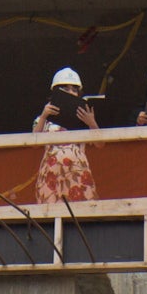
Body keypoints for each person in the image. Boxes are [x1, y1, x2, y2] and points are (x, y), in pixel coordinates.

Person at [30, 66, 99, 204]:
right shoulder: (43, 119)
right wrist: (44, 116)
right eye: (66, 89)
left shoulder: (84, 118)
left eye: (75, 90)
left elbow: (100, 144)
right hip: (52, 173)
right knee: (50, 215)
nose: (71, 92)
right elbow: (34, 144)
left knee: (80, 214)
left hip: (77, 173)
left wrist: (91, 123)